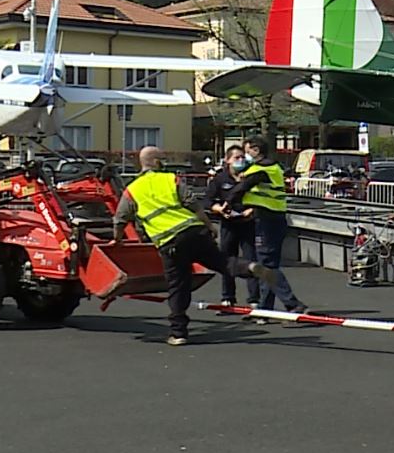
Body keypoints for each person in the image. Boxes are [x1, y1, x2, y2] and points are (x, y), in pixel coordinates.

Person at [113, 146, 277, 346]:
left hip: (169, 242)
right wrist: (209, 226)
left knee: (178, 286)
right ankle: (249, 267)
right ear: (155, 162)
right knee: (222, 262)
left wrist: (117, 239)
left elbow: (120, 218)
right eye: (162, 158)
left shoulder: (132, 189)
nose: (164, 161)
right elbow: (193, 203)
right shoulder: (171, 179)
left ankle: (178, 333)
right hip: (194, 231)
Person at [226, 135, 309, 321]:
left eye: (247, 152)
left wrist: (227, 203)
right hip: (273, 218)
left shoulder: (262, 169)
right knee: (267, 264)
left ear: (256, 150)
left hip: (267, 220)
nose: (245, 157)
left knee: (267, 266)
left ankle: (293, 304)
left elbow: (242, 188)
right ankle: (264, 310)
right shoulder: (272, 167)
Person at [204, 144, 257, 307]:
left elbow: (262, 198)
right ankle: (228, 297)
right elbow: (207, 201)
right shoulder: (220, 179)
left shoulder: (251, 176)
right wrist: (219, 209)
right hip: (228, 224)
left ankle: (254, 299)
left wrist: (252, 210)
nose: (240, 160)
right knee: (227, 260)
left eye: (242, 157)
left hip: (248, 223)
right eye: (236, 158)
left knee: (251, 261)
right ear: (227, 160)